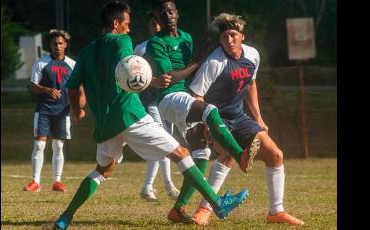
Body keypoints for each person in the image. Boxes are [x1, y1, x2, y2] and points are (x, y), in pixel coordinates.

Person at [53, 2, 250, 229]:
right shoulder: (122, 41)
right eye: (126, 24)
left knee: (102, 170)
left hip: (105, 123)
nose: (129, 29)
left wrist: (77, 110)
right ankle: (217, 203)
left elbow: (72, 87)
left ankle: (65, 217)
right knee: (182, 153)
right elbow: (131, 68)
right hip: (130, 115)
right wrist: (154, 81)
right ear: (116, 24)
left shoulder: (87, 51)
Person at [145, 0, 260, 224]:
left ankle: (178, 209)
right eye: (162, 13)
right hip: (170, 100)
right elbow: (170, 79)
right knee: (210, 110)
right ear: (156, 19)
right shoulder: (155, 43)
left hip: (186, 99)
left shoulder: (186, 37)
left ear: (177, 13)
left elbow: (194, 74)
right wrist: (198, 60)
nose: (167, 15)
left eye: (171, 10)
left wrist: (200, 61)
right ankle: (240, 155)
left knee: (200, 154)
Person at [187, 13, 305, 226]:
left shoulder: (252, 55)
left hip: (239, 117)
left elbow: (251, 84)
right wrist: (205, 124)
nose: (229, 40)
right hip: (216, 119)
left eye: (233, 35)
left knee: (276, 155)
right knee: (228, 157)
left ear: (242, 36)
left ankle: (276, 212)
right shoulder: (214, 62)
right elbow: (197, 95)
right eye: (224, 37)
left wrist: (258, 117)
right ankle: (204, 209)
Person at [24, 29, 78, 193]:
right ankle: (35, 182)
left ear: (65, 45)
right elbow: (33, 86)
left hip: (63, 111)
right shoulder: (41, 62)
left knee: (58, 146)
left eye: (60, 43)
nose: (57, 46)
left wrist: (77, 107)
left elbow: (77, 88)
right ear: (50, 45)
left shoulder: (72, 65)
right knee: (39, 145)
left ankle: (57, 182)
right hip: (44, 110)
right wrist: (47, 90)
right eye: (55, 43)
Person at [134, 11, 180, 202]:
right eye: (153, 24)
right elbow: (135, 76)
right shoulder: (141, 48)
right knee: (164, 140)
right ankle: (169, 185)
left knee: (162, 142)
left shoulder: (171, 44)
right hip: (149, 99)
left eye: (158, 23)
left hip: (167, 98)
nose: (156, 27)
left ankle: (147, 186)